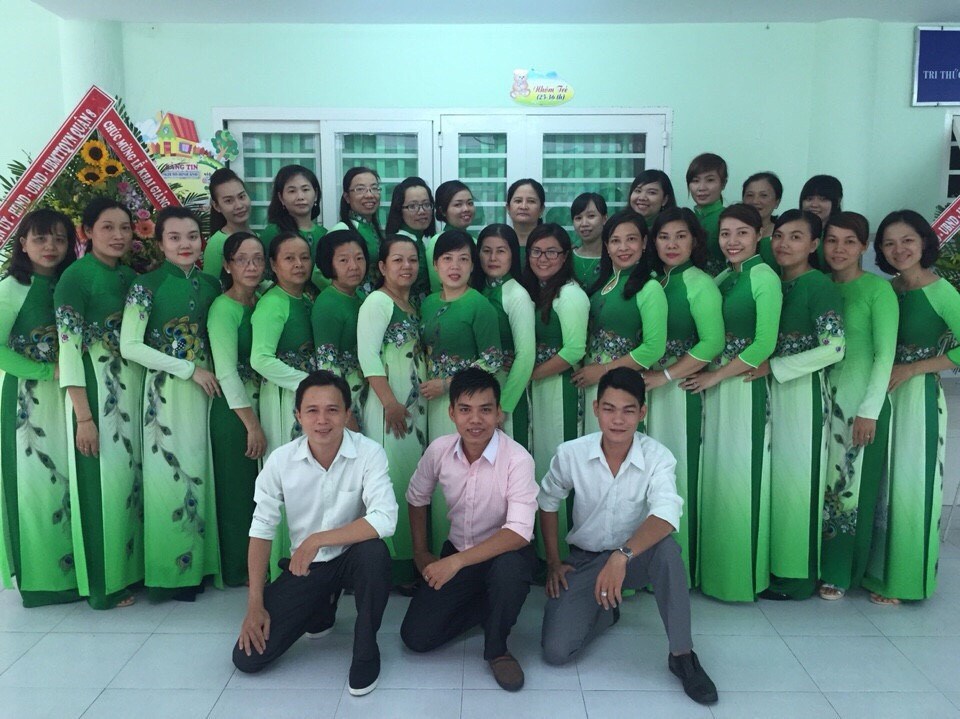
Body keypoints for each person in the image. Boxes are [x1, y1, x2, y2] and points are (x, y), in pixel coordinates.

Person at [538, 367, 718, 705]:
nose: (618, 420)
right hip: (586, 560)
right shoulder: (571, 453)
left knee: (668, 551)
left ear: (642, 412)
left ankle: (682, 655)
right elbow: (547, 501)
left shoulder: (657, 457)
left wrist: (622, 556)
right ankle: (607, 611)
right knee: (556, 652)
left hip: (636, 559)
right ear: (596, 409)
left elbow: (666, 514)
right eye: (609, 409)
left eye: (628, 410)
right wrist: (552, 562)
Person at [232, 371, 397, 697]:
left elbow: (385, 518)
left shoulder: (369, 453)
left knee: (375, 553)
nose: (322, 420)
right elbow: (261, 528)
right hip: (307, 566)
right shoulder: (281, 461)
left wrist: (318, 539)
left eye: (332, 410)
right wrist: (255, 604)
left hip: (351, 557)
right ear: (298, 416)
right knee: (248, 659)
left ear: (347, 414)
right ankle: (323, 606)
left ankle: (366, 649)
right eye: (312, 410)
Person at [401, 368, 538, 692]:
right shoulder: (439, 450)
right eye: (465, 409)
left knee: (509, 572)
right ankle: (486, 604)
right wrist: (421, 551)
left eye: (485, 410)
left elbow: (518, 532)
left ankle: (498, 649)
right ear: (451, 413)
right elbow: (416, 497)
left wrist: (455, 563)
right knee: (416, 637)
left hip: (506, 553)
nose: (475, 420)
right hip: (459, 550)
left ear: (499, 413)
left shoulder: (518, 459)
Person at [120, 206, 223, 600]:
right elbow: (130, 345)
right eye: (175, 237)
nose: (185, 244)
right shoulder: (146, 286)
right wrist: (188, 369)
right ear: (159, 242)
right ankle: (170, 576)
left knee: (203, 471)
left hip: (209, 391)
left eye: (192, 236)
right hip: (167, 392)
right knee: (170, 474)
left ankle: (202, 566)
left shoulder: (212, 284)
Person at [863, 210, 960, 604]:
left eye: (907, 240)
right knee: (881, 485)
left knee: (911, 487)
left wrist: (913, 368)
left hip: (918, 399)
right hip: (881, 397)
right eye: (889, 243)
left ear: (924, 243)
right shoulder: (888, 290)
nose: (899, 249)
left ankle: (904, 583)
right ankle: (875, 571)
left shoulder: (941, 292)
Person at [686, 204, 782, 602]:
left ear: (759, 234)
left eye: (742, 232)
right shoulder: (727, 276)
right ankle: (713, 572)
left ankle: (740, 580)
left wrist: (715, 375)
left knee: (741, 479)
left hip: (742, 387)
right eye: (725, 233)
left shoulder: (764, 276)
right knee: (717, 479)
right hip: (720, 387)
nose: (733, 241)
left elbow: (764, 344)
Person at [56, 197, 144, 609]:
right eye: (107, 227)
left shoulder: (129, 276)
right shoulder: (75, 278)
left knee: (127, 484)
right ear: (87, 232)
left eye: (125, 227)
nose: (118, 235)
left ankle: (129, 571)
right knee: (99, 484)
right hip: (95, 388)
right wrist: (84, 417)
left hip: (131, 389)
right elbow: (68, 350)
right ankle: (102, 588)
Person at [761, 210, 845, 601]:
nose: (784, 244)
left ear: (814, 245)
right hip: (771, 391)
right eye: (779, 235)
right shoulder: (774, 281)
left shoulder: (818, 285)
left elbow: (834, 347)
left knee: (797, 483)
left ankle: (796, 579)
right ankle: (771, 567)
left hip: (802, 394)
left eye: (796, 237)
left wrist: (775, 367)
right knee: (774, 483)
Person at [0, 209, 78, 607]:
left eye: (60, 239)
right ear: (23, 243)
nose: (50, 246)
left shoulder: (68, 284)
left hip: (69, 398)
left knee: (70, 482)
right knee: (38, 486)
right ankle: (43, 581)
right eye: (41, 238)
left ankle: (79, 573)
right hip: (27, 401)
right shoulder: (12, 288)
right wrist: (46, 370)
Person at [642, 208, 724, 585]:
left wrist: (666, 375)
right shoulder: (656, 281)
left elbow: (712, 342)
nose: (672, 244)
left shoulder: (699, 283)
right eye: (664, 237)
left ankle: (679, 569)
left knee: (677, 474)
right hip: (651, 391)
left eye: (680, 236)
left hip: (680, 391)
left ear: (695, 240)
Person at [819, 212, 897, 600]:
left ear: (864, 246)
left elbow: (884, 355)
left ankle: (842, 572)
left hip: (859, 404)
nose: (839, 249)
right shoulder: (821, 285)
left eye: (849, 241)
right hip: (822, 402)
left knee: (848, 486)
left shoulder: (877, 291)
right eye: (832, 240)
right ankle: (818, 564)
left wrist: (870, 410)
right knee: (822, 485)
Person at [419, 230, 503, 552]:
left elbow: (492, 359)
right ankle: (440, 549)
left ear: (472, 265)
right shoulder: (427, 303)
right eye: (447, 259)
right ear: (435, 265)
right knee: (438, 471)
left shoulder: (480, 306)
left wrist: (448, 384)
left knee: (463, 474)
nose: (455, 266)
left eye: (463, 259)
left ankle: (468, 550)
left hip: (466, 407)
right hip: (431, 405)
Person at [357, 235, 427, 587]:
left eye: (412, 259)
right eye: (397, 260)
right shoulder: (377, 302)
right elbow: (367, 356)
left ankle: (416, 556)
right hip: (391, 409)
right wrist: (389, 403)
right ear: (382, 266)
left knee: (413, 478)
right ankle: (394, 566)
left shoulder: (413, 304)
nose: (406, 266)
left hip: (415, 410)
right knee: (394, 480)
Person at [520, 224, 590, 559]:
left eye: (551, 252)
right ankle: (541, 551)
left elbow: (574, 350)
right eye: (536, 251)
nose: (543, 258)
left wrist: (528, 375)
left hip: (560, 389)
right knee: (540, 465)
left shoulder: (570, 295)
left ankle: (561, 554)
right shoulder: (540, 291)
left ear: (565, 256)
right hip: (542, 389)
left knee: (557, 467)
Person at [251, 232, 316, 578]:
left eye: (304, 257)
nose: (299, 264)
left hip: (307, 399)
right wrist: (308, 384)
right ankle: (283, 566)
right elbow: (260, 359)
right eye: (289, 258)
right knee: (288, 478)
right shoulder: (273, 303)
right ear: (274, 265)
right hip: (283, 399)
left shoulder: (306, 298)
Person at [208, 232, 267, 587]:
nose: (251, 266)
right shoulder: (223, 308)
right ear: (227, 265)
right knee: (238, 492)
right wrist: (251, 425)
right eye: (242, 259)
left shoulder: (264, 300)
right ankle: (238, 568)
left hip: (261, 404)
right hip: (235, 413)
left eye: (257, 258)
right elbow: (226, 372)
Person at [574, 210, 666, 436]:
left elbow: (653, 348)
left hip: (625, 386)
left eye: (631, 239)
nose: (623, 247)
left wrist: (604, 370)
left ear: (644, 243)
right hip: (593, 383)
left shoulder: (650, 288)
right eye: (615, 241)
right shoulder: (603, 284)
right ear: (606, 246)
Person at [475, 224, 536, 445]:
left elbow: (526, 356)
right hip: (475, 393)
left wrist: (504, 407)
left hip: (507, 392)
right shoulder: (477, 291)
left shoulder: (517, 295)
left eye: (501, 251)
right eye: (486, 250)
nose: (493, 258)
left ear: (513, 255)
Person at [312, 229, 368, 428]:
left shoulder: (360, 296)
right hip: (346, 393)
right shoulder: (327, 304)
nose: (354, 266)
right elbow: (327, 364)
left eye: (359, 258)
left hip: (365, 388)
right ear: (329, 264)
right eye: (343, 260)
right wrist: (342, 410)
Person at [259, 165, 327, 289]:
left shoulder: (325, 234)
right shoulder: (273, 232)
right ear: (281, 198)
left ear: (316, 194)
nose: (300, 197)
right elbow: (263, 276)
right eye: (292, 191)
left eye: (305, 189)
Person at [328, 167, 385, 295]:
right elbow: (318, 274)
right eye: (360, 189)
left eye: (374, 188)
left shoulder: (374, 229)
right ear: (347, 197)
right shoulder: (342, 229)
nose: (369, 195)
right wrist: (346, 294)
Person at [385, 176, 436, 301]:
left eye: (426, 204)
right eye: (413, 206)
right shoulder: (398, 245)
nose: (422, 211)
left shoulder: (426, 241)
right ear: (399, 210)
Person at [202, 168, 254, 277]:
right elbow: (210, 285)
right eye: (229, 201)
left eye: (241, 196)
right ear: (217, 206)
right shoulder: (216, 245)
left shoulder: (256, 236)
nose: (239, 205)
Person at [429, 180, 476, 292]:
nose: (466, 209)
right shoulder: (437, 241)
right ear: (443, 211)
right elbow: (438, 286)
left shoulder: (474, 241)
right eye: (458, 204)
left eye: (470, 203)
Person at [686, 153, 728, 276]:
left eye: (710, 180)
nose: (701, 187)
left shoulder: (730, 218)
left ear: (723, 183)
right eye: (695, 181)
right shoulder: (685, 219)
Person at [798, 174, 843, 268]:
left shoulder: (842, 235)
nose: (814, 205)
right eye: (809, 199)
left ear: (837, 202)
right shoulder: (794, 232)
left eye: (823, 199)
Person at [741, 171, 783, 270]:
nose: (755, 201)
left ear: (777, 202)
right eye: (750, 195)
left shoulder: (782, 237)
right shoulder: (733, 233)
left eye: (763, 195)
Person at [570, 192, 607, 289]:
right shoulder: (568, 257)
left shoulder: (615, 257)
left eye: (591, 216)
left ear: (604, 219)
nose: (584, 223)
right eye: (578, 218)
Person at [506, 179, 545, 257]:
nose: (523, 207)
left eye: (531, 201)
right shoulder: (499, 244)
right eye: (518, 201)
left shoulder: (551, 245)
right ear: (508, 208)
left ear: (541, 209)